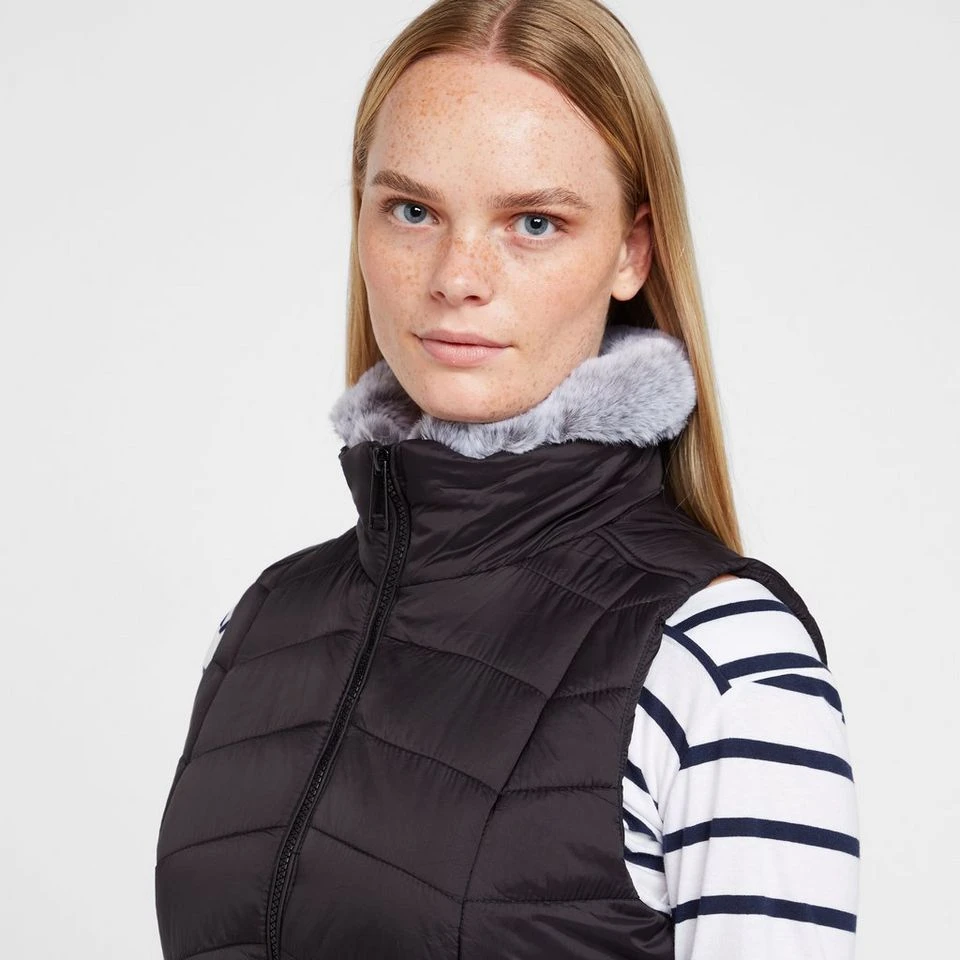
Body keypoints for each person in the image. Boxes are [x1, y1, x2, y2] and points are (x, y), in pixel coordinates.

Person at [155, 1, 859, 958]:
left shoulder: (719, 658)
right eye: (412, 211)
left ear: (631, 251)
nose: (457, 276)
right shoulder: (264, 625)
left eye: (533, 222)